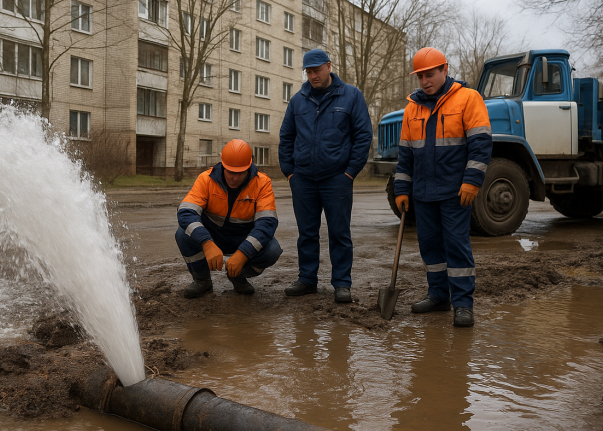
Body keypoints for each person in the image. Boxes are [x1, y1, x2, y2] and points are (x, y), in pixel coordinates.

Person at [393, 47, 492, 327]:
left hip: (455, 192)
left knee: (456, 246)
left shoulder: (468, 99)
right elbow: (405, 155)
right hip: (423, 193)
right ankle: (438, 295)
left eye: (430, 74)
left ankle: (463, 304)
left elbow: (481, 145)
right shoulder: (412, 108)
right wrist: (401, 189)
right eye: (420, 76)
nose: (425, 81)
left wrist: (472, 182)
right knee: (430, 246)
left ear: (444, 70)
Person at [278, 49, 373, 303]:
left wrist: (350, 172)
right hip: (303, 179)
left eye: (317, 70)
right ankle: (307, 279)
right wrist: (290, 172)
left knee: (339, 233)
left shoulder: (351, 96)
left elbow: (363, 136)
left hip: (337, 178)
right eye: (308, 72)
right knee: (306, 233)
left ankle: (342, 284)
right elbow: (286, 137)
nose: (313, 76)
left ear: (329, 66)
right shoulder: (298, 101)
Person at [175, 139, 282, 298]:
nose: (235, 178)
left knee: (272, 250)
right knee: (183, 234)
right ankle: (202, 280)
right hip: (212, 237)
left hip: (243, 238)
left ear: (249, 167)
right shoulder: (206, 179)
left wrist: (243, 254)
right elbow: (185, 212)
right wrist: (206, 243)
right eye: (231, 172)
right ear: (223, 165)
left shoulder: (262, 183)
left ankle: (237, 275)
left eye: (240, 172)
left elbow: (267, 223)